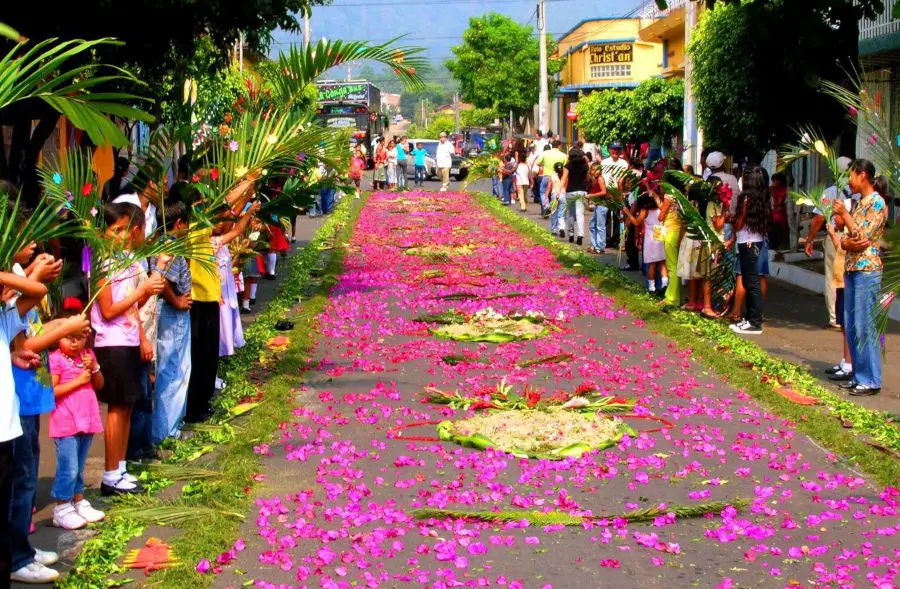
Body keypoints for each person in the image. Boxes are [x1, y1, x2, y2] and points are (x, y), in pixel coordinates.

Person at [8, 250, 88, 583]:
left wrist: (56, 325)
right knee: (21, 480)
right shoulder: (13, 277)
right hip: (18, 397)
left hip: (29, 393)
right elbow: (21, 335)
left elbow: (24, 336)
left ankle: (20, 548)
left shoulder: (17, 273)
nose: (35, 246)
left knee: (26, 473)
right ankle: (16, 556)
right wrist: (62, 329)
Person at [92, 204, 164, 495]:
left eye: (124, 229)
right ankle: (110, 474)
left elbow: (135, 307)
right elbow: (108, 310)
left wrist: (147, 292)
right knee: (117, 408)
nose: (121, 236)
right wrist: (141, 291)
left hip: (129, 338)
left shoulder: (128, 260)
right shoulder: (100, 262)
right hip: (111, 341)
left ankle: (120, 468)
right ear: (104, 232)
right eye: (115, 230)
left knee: (126, 406)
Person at [1, 271, 48, 587]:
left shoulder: (3, 313)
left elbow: (38, 289)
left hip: (6, 425)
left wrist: (14, 354)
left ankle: (15, 556)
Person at [48, 308, 106, 531]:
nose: (74, 343)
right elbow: (52, 391)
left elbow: (99, 385)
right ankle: (61, 506)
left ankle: (78, 500)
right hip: (66, 422)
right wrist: (80, 380)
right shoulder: (54, 359)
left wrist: (95, 369)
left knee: (80, 466)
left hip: (87, 418)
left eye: (79, 338)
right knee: (68, 467)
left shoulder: (88, 356)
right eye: (68, 338)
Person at [832, 160, 887, 396]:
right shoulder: (859, 203)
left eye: (851, 175)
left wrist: (845, 215)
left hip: (868, 269)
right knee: (852, 325)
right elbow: (846, 239)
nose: (848, 180)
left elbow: (863, 236)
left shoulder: (876, 203)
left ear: (862, 175)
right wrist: (848, 236)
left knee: (865, 326)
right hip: (853, 266)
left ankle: (871, 379)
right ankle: (858, 374)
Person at [151, 200, 192, 445]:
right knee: (174, 370)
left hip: (168, 312)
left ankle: (168, 427)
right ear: (178, 223)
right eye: (186, 223)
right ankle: (166, 431)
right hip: (172, 313)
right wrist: (177, 301)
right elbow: (163, 280)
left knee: (171, 368)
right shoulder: (169, 247)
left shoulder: (158, 242)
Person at [805, 156, 853, 330]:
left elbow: (819, 219)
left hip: (837, 237)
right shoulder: (859, 191)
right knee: (850, 276)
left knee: (834, 278)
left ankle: (835, 318)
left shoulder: (832, 192)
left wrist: (809, 240)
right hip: (855, 237)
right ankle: (849, 314)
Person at [215, 201, 260, 358]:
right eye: (220, 221)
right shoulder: (212, 243)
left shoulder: (219, 242)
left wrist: (249, 210)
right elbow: (236, 229)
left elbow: (237, 228)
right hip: (217, 295)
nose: (224, 224)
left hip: (225, 293)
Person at [730, 166, 771, 335]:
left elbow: (739, 224)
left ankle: (754, 322)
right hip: (753, 242)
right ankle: (749, 318)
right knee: (750, 282)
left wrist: (736, 218)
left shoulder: (746, 199)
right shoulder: (763, 198)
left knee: (751, 283)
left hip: (748, 244)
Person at [623, 191, 666, 294]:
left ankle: (651, 287)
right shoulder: (660, 208)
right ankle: (664, 284)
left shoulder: (645, 210)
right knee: (662, 263)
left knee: (651, 263)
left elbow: (637, 222)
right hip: (660, 233)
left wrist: (628, 213)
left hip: (651, 237)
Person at [560, 146, 589, 245]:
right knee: (580, 214)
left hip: (570, 192)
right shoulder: (585, 165)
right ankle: (580, 235)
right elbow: (588, 178)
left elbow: (563, 179)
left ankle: (571, 235)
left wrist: (559, 190)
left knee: (571, 214)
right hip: (581, 191)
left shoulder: (568, 165)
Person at [586, 162, 608, 253]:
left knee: (600, 226)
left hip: (602, 205)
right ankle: (594, 245)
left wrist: (591, 195)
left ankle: (600, 247)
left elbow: (604, 192)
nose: (594, 171)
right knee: (592, 225)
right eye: (593, 169)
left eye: (596, 169)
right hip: (597, 205)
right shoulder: (594, 179)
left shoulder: (600, 179)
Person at [769, 172, 790, 250]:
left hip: (780, 217)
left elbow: (778, 203)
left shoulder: (783, 190)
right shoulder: (772, 189)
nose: (773, 183)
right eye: (773, 181)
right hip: (775, 216)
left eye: (775, 181)